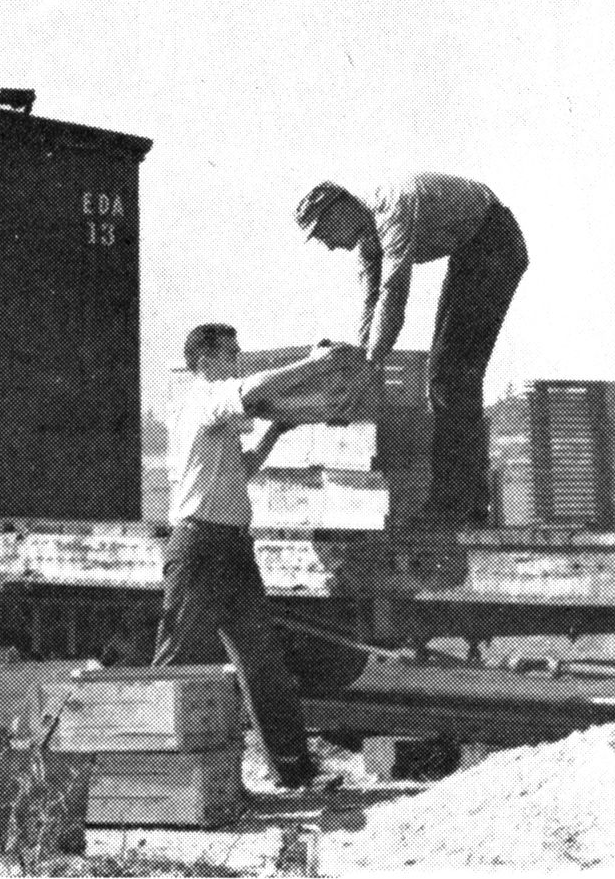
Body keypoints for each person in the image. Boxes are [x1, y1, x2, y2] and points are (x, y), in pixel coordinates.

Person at [155, 324, 337, 791]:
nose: (237, 361)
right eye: (230, 354)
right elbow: (252, 388)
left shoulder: (216, 416)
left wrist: (275, 431)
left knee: (263, 660)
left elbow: (245, 469)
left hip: (232, 547)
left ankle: (295, 771)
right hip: (199, 548)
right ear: (206, 360)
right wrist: (313, 365)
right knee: (177, 661)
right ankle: (153, 777)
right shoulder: (204, 398)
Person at [296, 174, 528, 525]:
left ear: (340, 209)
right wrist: (361, 362)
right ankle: (469, 501)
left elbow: (393, 296)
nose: (327, 246)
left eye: (323, 233)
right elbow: (371, 306)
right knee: (449, 374)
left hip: (496, 242)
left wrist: (371, 364)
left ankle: (456, 505)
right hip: (472, 249)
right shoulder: (367, 241)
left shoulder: (391, 209)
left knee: (449, 375)